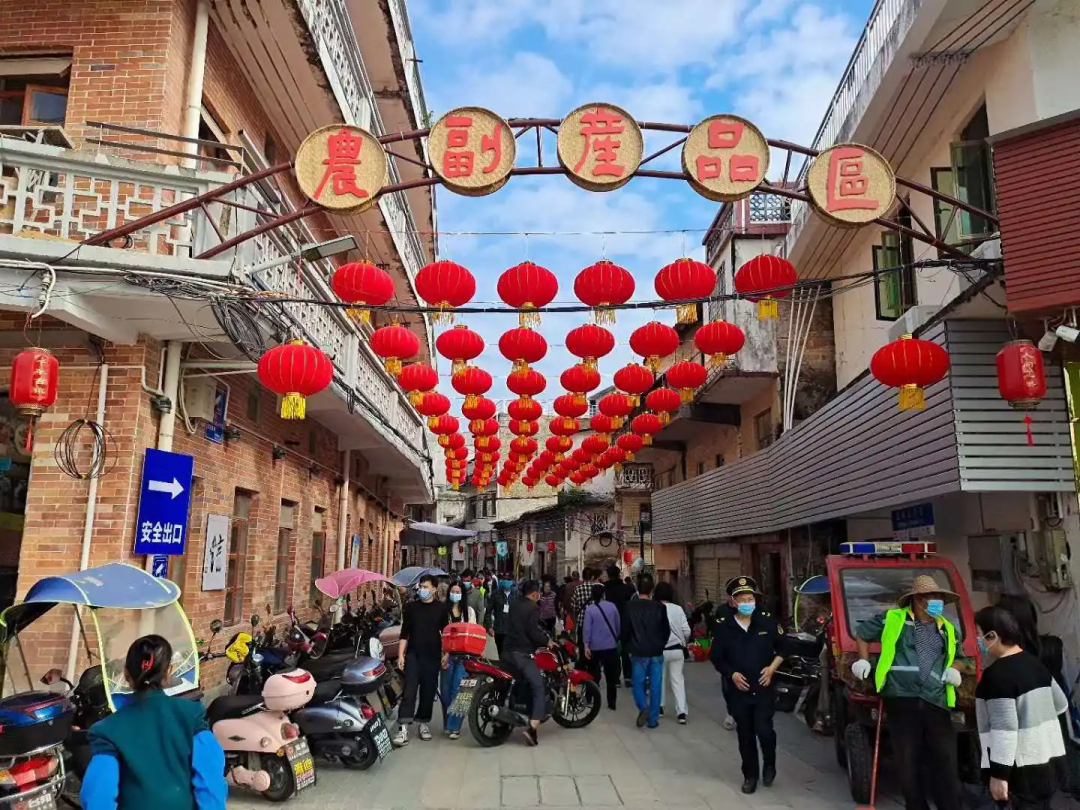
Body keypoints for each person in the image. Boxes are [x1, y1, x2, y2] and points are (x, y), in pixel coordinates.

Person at [853, 574, 963, 810]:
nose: (936, 601)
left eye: (938, 597)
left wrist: (955, 669)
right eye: (931, 597)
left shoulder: (947, 629)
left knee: (945, 760)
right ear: (918, 600)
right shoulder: (894, 619)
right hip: (901, 698)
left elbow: (960, 657)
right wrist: (862, 660)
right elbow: (862, 633)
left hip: (935, 699)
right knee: (907, 759)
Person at [80, 634, 227, 810]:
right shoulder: (190, 715)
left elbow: (98, 796)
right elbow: (210, 780)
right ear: (169, 671)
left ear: (126, 673)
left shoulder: (107, 729)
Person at [974, 604, 1067, 810]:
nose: (978, 640)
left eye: (979, 634)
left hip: (1021, 773)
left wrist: (999, 776)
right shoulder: (1035, 664)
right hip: (1049, 763)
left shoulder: (996, 676)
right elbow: (1061, 704)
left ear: (992, 636)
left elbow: (1004, 731)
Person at [710, 576, 784, 794]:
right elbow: (717, 657)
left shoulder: (767, 621)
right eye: (743, 599)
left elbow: (784, 648)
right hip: (738, 691)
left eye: (751, 599)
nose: (747, 603)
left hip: (763, 687)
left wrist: (771, 668)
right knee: (745, 734)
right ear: (733, 601)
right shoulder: (724, 626)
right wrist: (731, 674)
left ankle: (769, 763)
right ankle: (750, 775)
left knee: (765, 730)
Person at [393, 574, 448, 746]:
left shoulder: (441, 609)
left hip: (432, 656)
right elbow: (404, 634)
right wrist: (400, 655)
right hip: (413, 655)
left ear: (434, 589)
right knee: (409, 690)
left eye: (426, 587)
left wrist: (446, 654)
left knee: (428, 692)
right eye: (421, 587)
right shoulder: (411, 608)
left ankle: (423, 723)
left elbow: (445, 634)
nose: (422, 590)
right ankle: (403, 728)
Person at [504, 579, 555, 746]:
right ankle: (532, 729)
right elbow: (533, 633)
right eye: (538, 593)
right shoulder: (533, 608)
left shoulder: (514, 603)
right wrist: (547, 641)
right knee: (538, 686)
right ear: (534, 594)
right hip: (522, 653)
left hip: (507, 651)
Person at [622, 573, 669, 730]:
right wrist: (661, 644)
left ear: (637, 588)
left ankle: (643, 707)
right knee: (656, 685)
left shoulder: (629, 607)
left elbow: (625, 630)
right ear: (651, 589)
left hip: (638, 650)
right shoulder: (660, 607)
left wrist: (627, 647)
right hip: (656, 651)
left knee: (638, 683)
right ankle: (653, 720)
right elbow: (666, 631)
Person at [439, 581, 477, 741]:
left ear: (462, 594)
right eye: (452, 591)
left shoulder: (469, 612)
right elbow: (440, 634)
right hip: (445, 656)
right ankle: (448, 723)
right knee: (446, 693)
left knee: (459, 691)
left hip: (463, 656)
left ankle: (455, 727)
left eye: (458, 592)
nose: (455, 594)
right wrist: (444, 653)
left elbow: (472, 633)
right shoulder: (443, 611)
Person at [656, 581, 691, 724]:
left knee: (660, 678)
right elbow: (687, 631)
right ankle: (681, 712)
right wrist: (683, 640)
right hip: (677, 650)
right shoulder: (678, 609)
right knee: (678, 680)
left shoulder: (655, 608)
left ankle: (660, 708)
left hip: (660, 651)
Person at [583, 583, 621, 711]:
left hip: (595, 646)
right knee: (611, 676)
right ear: (604, 594)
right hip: (610, 645)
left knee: (592, 674)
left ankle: (589, 698)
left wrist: (586, 645)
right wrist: (615, 637)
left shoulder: (590, 610)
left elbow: (587, 629)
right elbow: (617, 625)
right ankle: (612, 702)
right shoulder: (612, 607)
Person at [604, 564, 634, 687]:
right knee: (626, 649)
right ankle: (628, 676)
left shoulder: (605, 589)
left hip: (610, 622)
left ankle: (615, 678)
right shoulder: (627, 588)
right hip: (625, 621)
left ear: (608, 575)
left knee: (612, 651)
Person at [571, 568, 599, 666]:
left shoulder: (578, 589)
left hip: (582, 622)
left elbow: (574, 606)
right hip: (594, 623)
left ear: (582, 577)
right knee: (593, 646)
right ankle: (593, 666)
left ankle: (583, 665)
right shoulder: (597, 588)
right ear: (592, 577)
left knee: (582, 645)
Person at [486, 575, 516, 657]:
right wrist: (489, 626)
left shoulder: (517, 594)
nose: (506, 582)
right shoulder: (495, 594)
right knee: (501, 653)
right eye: (504, 580)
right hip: (499, 629)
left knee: (511, 654)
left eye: (508, 580)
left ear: (512, 581)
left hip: (513, 629)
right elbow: (488, 611)